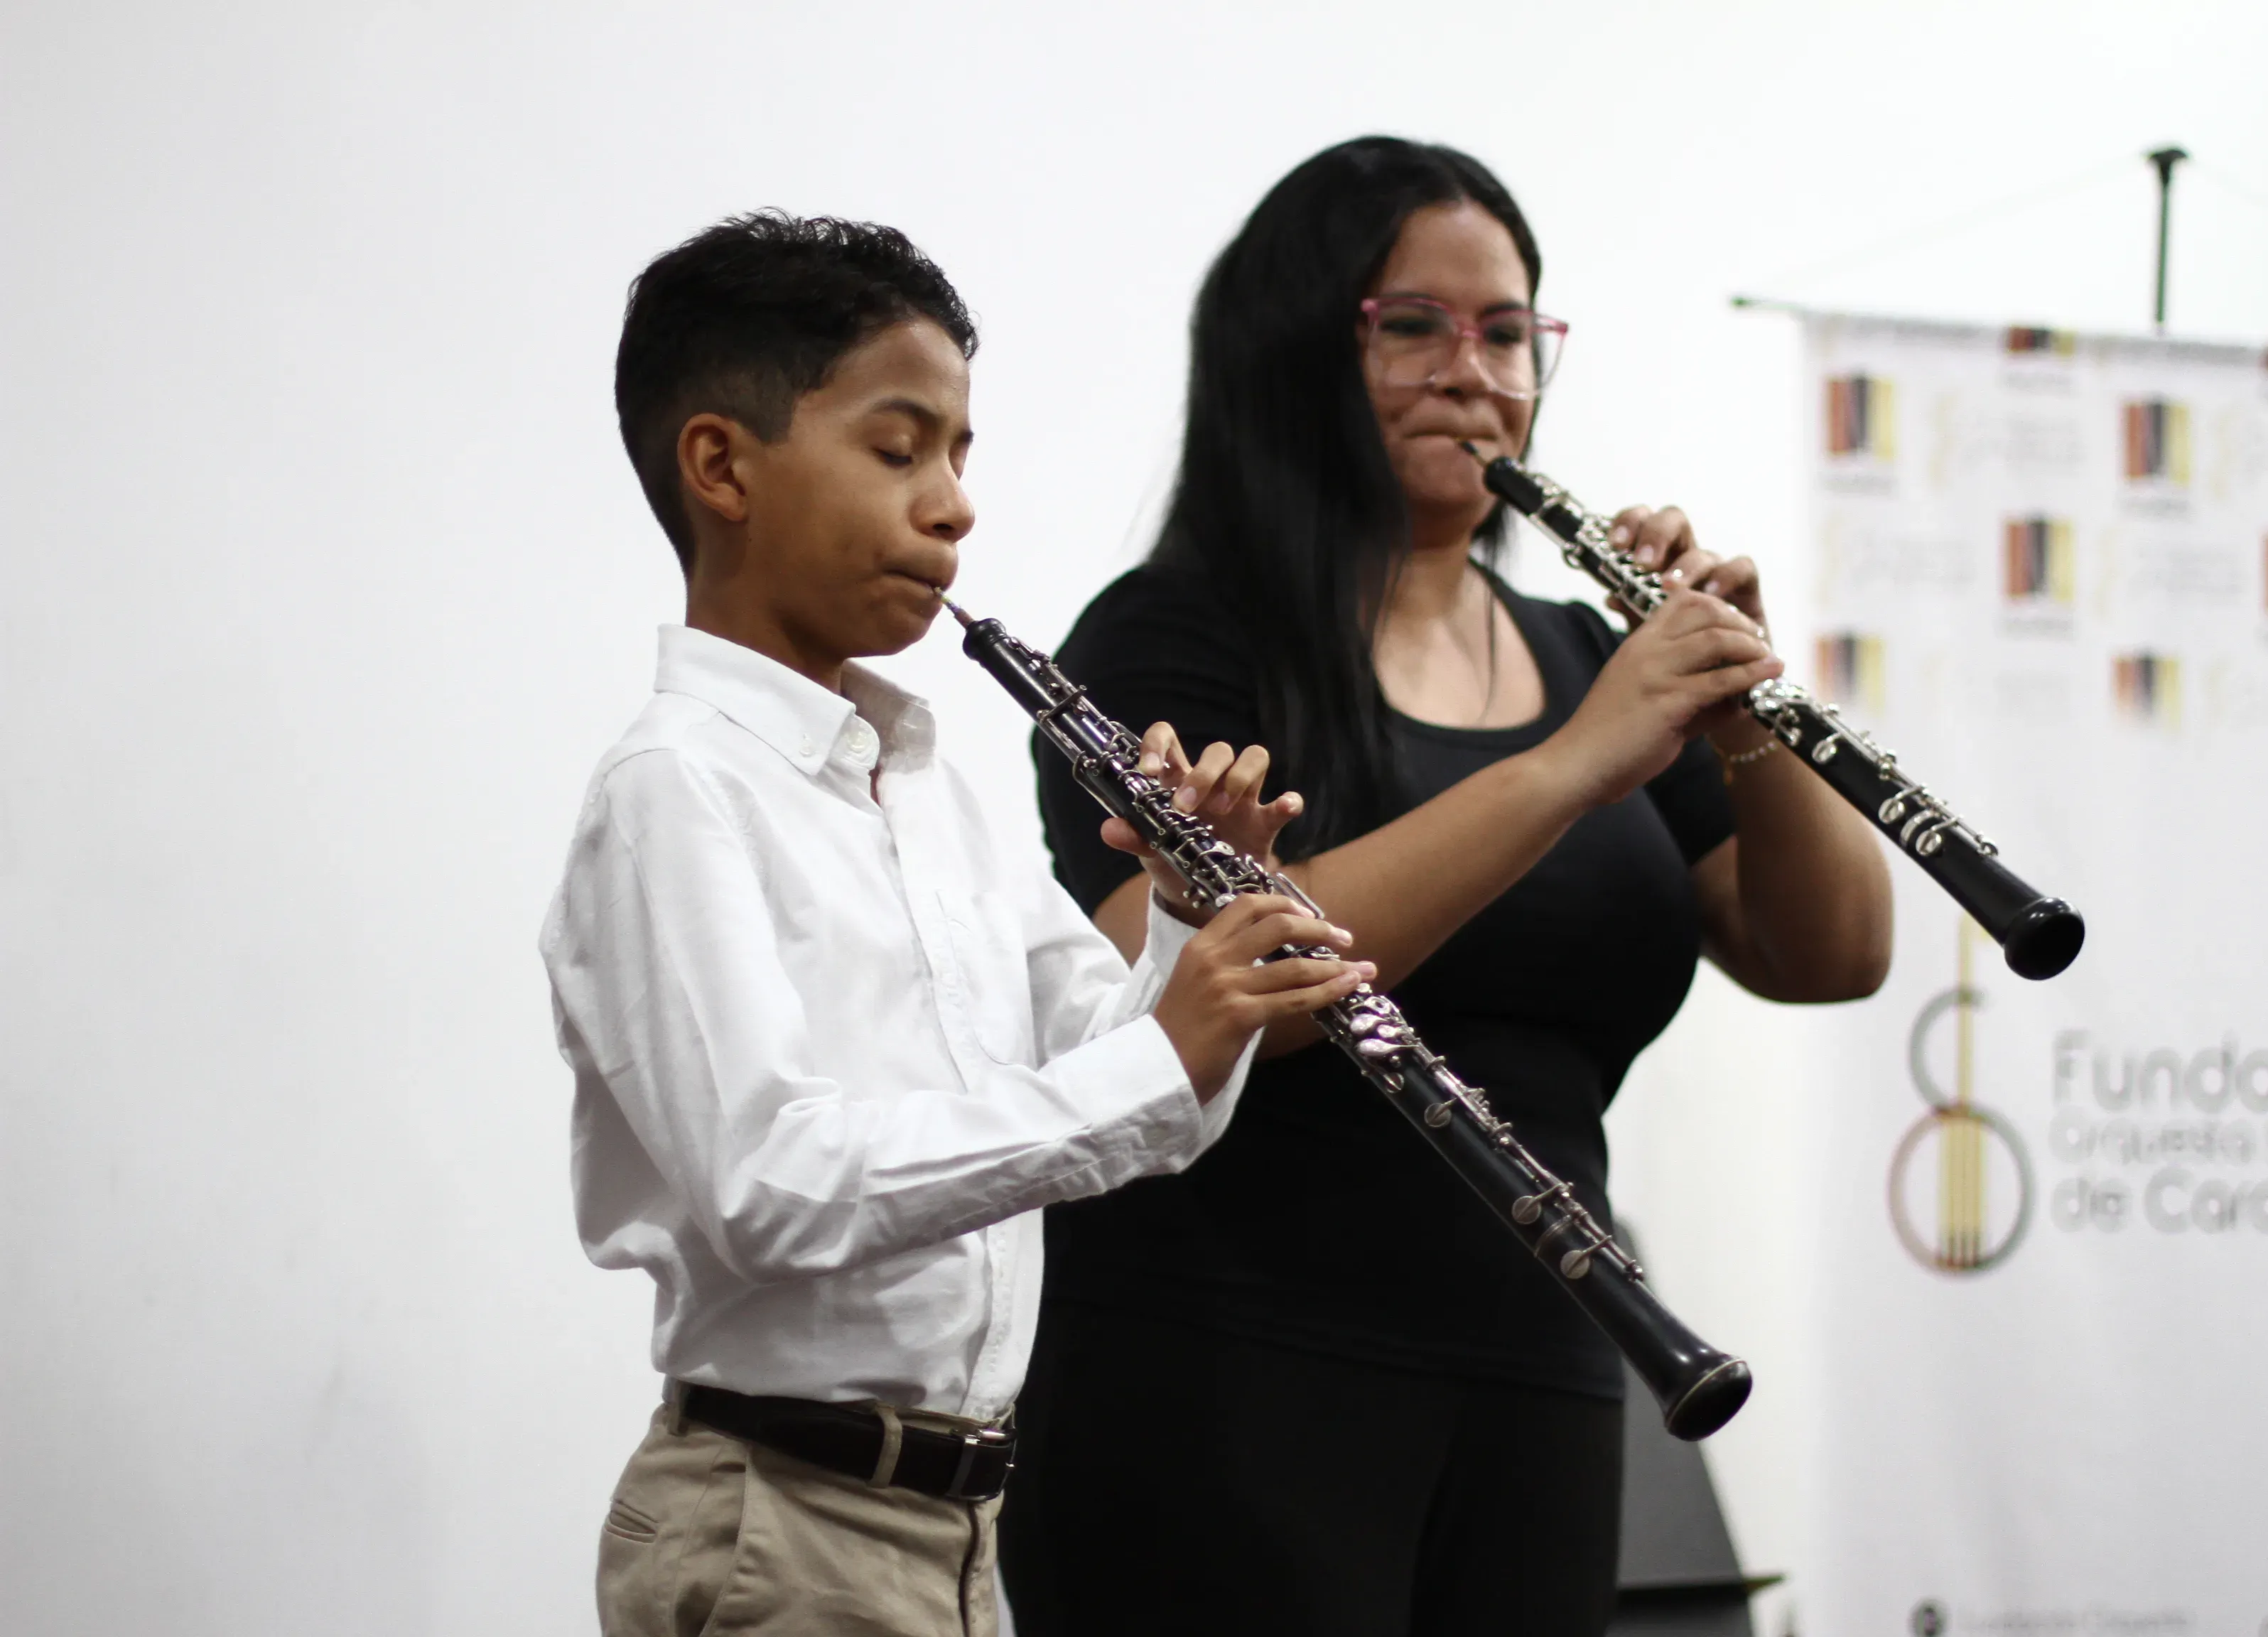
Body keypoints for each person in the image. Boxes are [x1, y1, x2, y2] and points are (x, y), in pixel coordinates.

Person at [1000, 139, 1894, 1637]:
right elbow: (1186, 993)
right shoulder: (1177, 633)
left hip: (1548, 1356)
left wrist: (1741, 724)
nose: (1473, 371)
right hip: (1230, 1363)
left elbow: (1830, 953)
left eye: (1509, 332)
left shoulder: (1573, 646)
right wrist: (1573, 763)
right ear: (1291, 349)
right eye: (1411, 326)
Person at [539, 211, 1372, 1637]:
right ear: (720, 466)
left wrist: (1186, 933)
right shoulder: (676, 790)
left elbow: (1150, 1111)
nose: (953, 506)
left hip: (956, 1529)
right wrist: (1157, 1053)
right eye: (897, 446)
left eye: (960, 454)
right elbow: (771, 1184)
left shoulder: (931, 790)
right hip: (782, 1523)